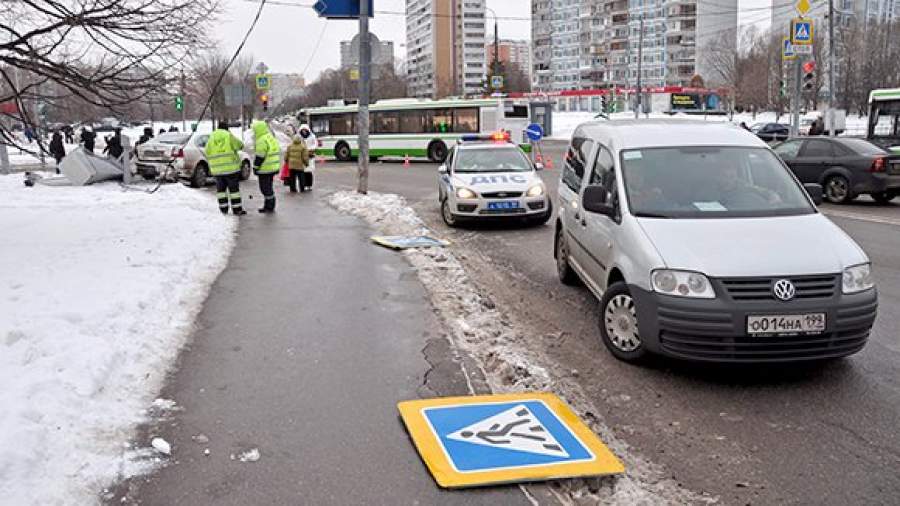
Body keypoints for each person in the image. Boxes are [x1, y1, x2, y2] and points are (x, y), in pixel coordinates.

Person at [205, 120, 247, 216]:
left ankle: (223, 209)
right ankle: (237, 210)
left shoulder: (212, 137)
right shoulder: (228, 135)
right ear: (226, 128)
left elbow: (207, 151)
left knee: (221, 191)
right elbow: (240, 145)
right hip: (231, 169)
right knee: (234, 191)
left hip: (217, 170)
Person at [251, 120, 281, 213]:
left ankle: (269, 206)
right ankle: (268, 205)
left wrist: (255, 167)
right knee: (268, 187)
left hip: (265, 169)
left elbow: (260, 156)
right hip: (272, 167)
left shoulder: (261, 140)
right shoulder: (270, 137)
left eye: (254, 130)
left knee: (265, 188)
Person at [298, 124, 317, 190]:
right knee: (303, 172)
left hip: (310, 156)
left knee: (309, 172)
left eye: (305, 130)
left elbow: (315, 144)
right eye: (302, 130)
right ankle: (304, 185)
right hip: (302, 156)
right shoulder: (299, 137)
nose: (304, 132)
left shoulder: (312, 136)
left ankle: (309, 185)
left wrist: (310, 149)